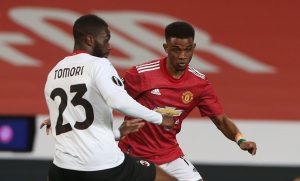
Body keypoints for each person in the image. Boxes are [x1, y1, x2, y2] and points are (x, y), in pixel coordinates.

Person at [44, 14, 178, 181]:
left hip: (62, 169)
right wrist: (160, 118)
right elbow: (118, 101)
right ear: (90, 40)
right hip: (102, 167)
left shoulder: (54, 73)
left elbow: (79, 127)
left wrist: (117, 133)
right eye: (106, 39)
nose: (109, 45)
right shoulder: (98, 64)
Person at [118, 21, 257, 181]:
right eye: (176, 50)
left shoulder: (199, 83)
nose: (183, 56)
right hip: (134, 155)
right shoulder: (140, 75)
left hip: (170, 155)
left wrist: (240, 139)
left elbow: (221, 120)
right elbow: (110, 99)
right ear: (166, 48)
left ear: (194, 48)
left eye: (188, 50)